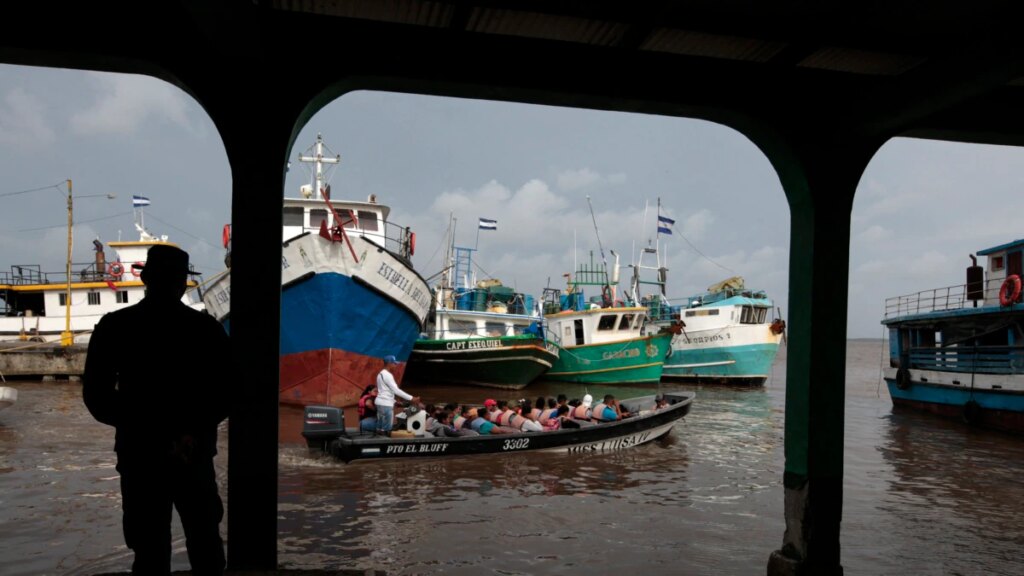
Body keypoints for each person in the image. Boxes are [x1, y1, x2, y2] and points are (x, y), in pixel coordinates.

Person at [83, 244, 229, 576]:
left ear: (146, 279)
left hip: (139, 454)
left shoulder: (115, 326)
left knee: (148, 548)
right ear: (183, 283)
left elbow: (96, 396)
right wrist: (189, 431)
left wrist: (142, 428)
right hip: (194, 452)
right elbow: (228, 392)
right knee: (205, 543)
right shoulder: (207, 330)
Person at [375, 355, 420, 436]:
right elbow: (396, 390)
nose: (395, 366)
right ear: (389, 364)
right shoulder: (388, 375)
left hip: (380, 403)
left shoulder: (380, 374)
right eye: (394, 364)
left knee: (379, 427)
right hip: (386, 405)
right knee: (386, 429)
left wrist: (394, 401)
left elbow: (385, 391)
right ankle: (385, 445)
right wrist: (412, 398)